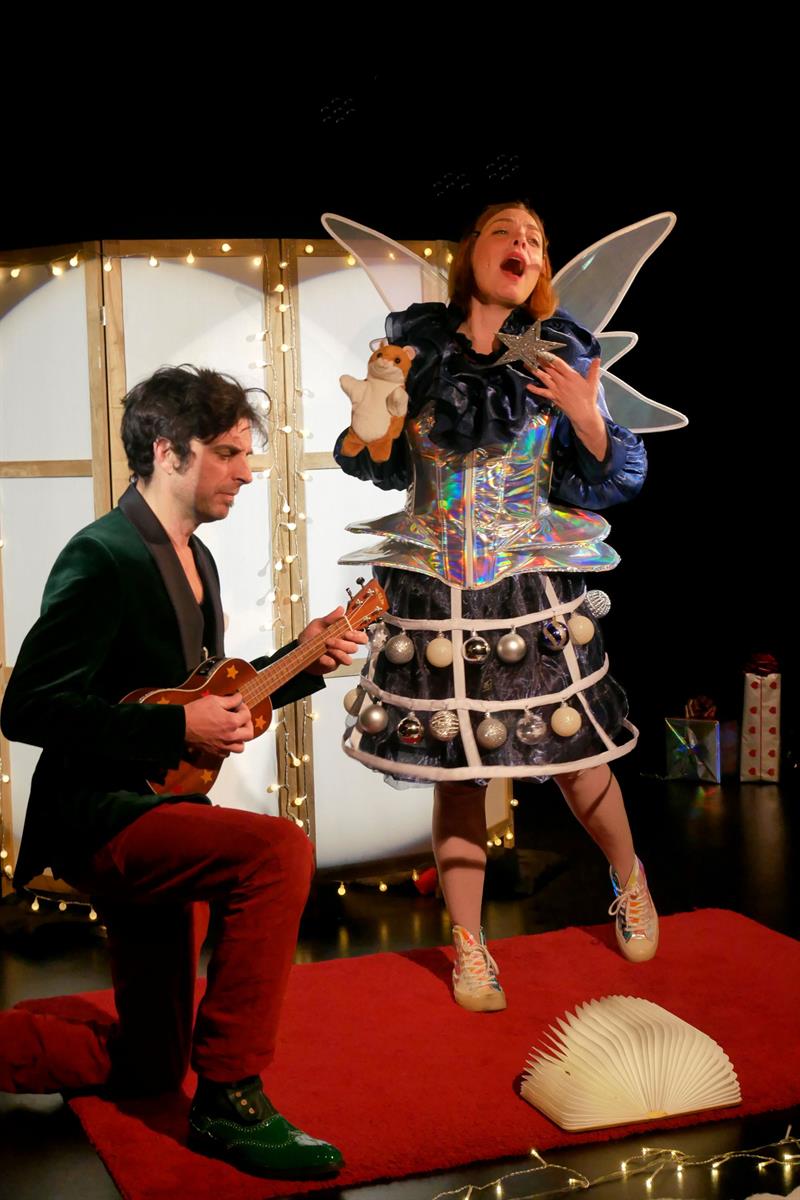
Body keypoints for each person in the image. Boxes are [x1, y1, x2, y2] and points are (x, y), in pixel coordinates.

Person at [0, 364, 367, 1179]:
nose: (247, 472)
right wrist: (174, 725)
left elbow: (208, 696)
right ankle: (230, 1094)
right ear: (168, 451)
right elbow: (26, 710)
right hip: (100, 814)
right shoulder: (101, 557)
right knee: (276, 853)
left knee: (151, 1064)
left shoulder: (194, 556)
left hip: (157, 800)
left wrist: (305, 658)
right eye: (228, 453)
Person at [335, 203, 658, 1014]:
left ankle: (629, 879)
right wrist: (375, 420)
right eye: (506, 232)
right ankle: (470, 947)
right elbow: (379, 464)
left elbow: (615, 479)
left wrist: (587, 416)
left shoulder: (558, 356)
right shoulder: (417, 351)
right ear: (470, 252)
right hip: (435, 591)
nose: (522, 244)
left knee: (577, 759)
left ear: (541, 268)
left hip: (526, 585)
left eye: (535, 239)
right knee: (458, 774)